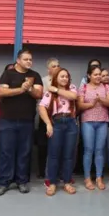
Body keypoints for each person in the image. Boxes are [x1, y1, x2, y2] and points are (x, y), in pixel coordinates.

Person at [0, 49, 43, 195]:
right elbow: (1, 92)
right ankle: (4, 182)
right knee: (6, 152)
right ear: (18, 60)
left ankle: (22, 181)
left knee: (24, 152)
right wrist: (21, 89)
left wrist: (29, 90)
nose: (29, 61)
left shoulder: (35, 75)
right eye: (26, 59)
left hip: (27, 120)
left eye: (30, 59)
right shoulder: (8, 74)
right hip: (8, 120)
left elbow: (39, 93)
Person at [38, 67, 78, 195]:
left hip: (71, 123)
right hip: (57, 123)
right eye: (62, 76)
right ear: (56, 78)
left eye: (66, 76)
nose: (65, 78)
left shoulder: (71, 88)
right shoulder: (49, 93)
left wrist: (55, 89)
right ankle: (52, 182)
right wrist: (48, 124)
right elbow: (41, 108)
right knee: (54, 155)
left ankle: (67, 182)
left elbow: (73, 96)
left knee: (68, 155)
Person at [77, 64, 109, 190]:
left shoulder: (107, 87)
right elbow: (80, 105)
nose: (98, 77)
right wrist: (91, 104)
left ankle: (99, 177)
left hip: (102, 121)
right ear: (89, 76)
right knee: (88, 150)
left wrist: (101, 100)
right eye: (95, 74)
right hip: (87, 121)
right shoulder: (84, 87)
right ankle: (87, 178)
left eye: (99, 74)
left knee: (99, 150)